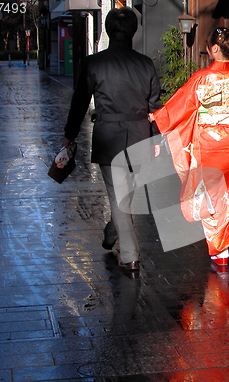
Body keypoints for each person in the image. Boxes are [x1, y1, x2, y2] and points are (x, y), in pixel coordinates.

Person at [149, 27, 229, 267]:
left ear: (214, 48)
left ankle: (220, 250)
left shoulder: (203, 78)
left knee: (209, 192)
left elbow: (181, 105)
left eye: (207, 46)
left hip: (210, 143)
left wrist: (157, 117)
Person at [63, 7, 161, 272]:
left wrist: (69, 136)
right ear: (134, 31)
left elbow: (80, 101)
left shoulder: (95, 63)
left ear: (108, 30)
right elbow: (155, 108)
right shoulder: (146, 64)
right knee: (125, 196)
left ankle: (130, 256)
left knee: (119, 197)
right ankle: (111, 234)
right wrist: (156, 142)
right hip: (140, 135)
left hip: (109, 136)